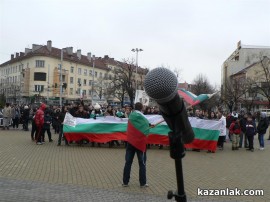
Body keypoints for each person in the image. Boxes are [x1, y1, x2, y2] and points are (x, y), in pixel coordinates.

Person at [122, 102, 153, 188]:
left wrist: (149, 125)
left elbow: (138, 126)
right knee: (142, 163)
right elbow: (145, 126)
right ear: (142, 107)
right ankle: (142, 183)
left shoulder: (131, 116)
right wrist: (149, 125)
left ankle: (125, 182)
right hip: (139, 143)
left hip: (131, 142)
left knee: (128, 162)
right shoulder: (143, 117)